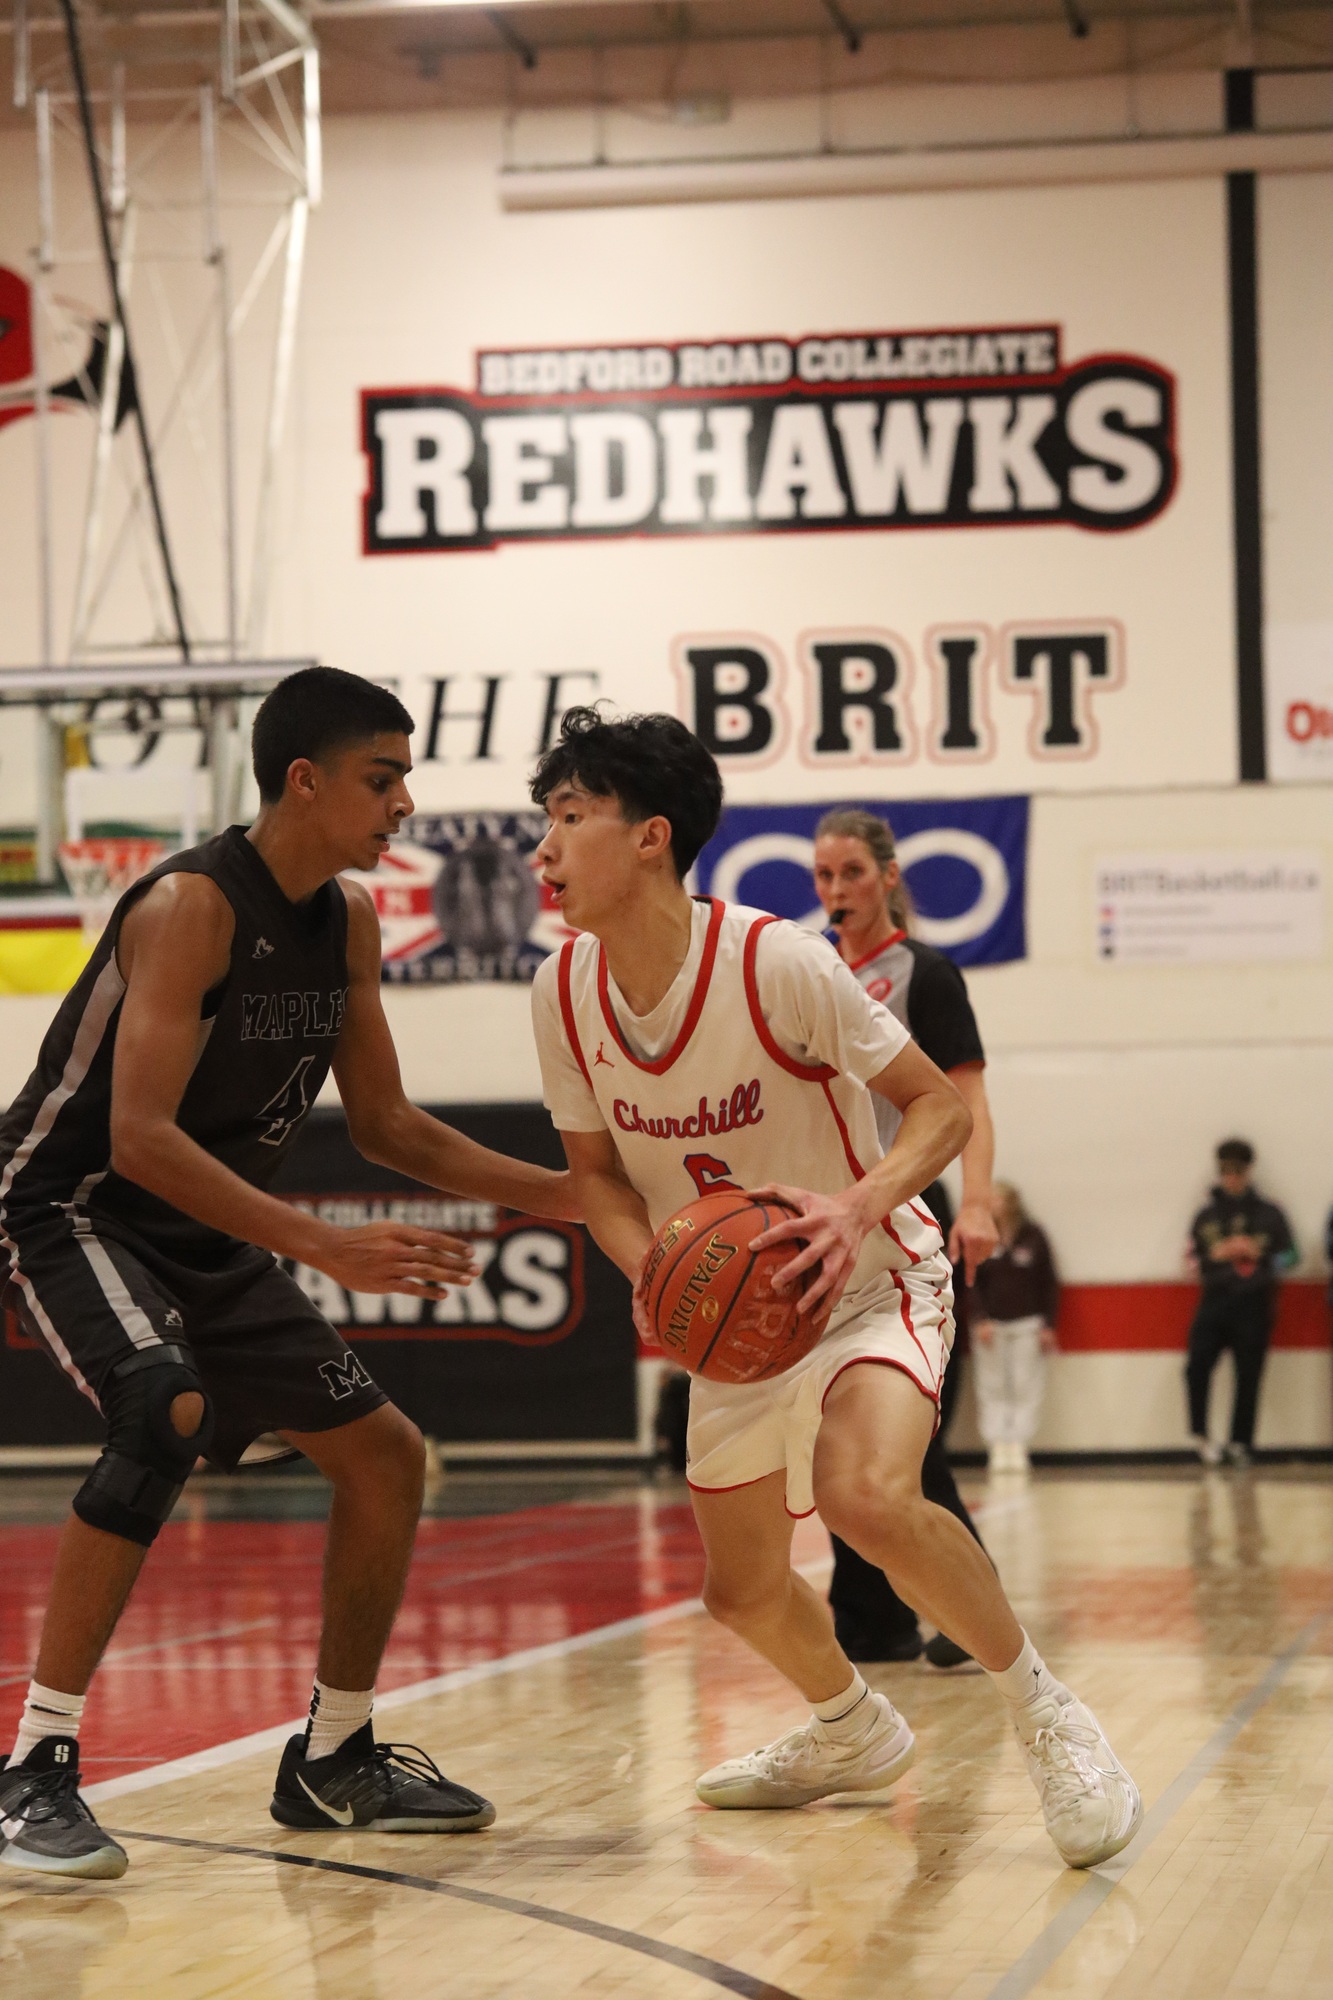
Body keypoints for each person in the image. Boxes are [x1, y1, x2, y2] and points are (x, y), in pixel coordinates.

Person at [529, 706, 1141, 1870]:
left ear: (651, 835)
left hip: (868, 1278)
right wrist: (649, 1267)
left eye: (568, 816)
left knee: (863, 1495)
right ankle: (850, 1727)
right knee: (741, 1591)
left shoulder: (778, 961)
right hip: (739, 1320)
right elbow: (596, 1176)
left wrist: (860, 1203)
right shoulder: (560, 989)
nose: (542, 848)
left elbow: (938, 1108)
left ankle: (1045, 1710)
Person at [0, 666, 579, 1880]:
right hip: (69, 1203)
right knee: (161, 1406)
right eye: (383, 776)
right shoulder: (191, 906)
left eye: (406, 776)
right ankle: (33, 1766)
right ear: (304, 779)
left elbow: (388, 1124)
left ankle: (333, 1754)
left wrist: (577, 1195)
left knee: (386, 1455)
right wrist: (320, 1241)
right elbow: (137, 1137)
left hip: (197, 1226)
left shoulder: (348, 918)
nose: (405, 801)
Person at [811, 807, 999, 1670]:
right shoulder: (806, 967)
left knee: (901, 1416)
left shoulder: (925, 973)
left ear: (887, 878)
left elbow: (966, 1101)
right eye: (824, 875)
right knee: (836, 1412)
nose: (836, 889)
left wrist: (978, 1202)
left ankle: (965, 1604)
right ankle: (871, 1617)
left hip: (907, 1206)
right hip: (828, 1212)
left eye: (851, 872)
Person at [1185, 1139, 1296, 1467]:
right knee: (1196, 1367)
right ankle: (1201, 1436)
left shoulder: (1270, 1213)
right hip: (1215, 1301)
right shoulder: (1205, 1215)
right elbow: (1191, 1260)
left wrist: (1260, 1254)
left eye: (1237, 1171)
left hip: (1254, 1304)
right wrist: (1217, 1254)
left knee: (1248, 1374)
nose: (1231, 1178)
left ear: (1248, 1172)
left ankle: (1241, 1442)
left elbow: (1292, 1256)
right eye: (1225, 1172)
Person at [970, 1182, 1060, 1474]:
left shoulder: (1033, 1236)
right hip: (991, 1325)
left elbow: (1048, 1282)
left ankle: (1019, 1444)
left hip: (1027, 1324)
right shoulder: (981, 1236)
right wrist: (979, 1317)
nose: (993, 1203)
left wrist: (1048, 1324)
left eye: (998, 1197)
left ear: (1012, 1202)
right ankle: (997, 1445)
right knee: (992, 1386)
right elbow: (970, 1281)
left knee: (1025, 1385)